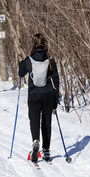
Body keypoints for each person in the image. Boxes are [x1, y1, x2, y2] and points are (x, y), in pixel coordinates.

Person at [18, 33, 60, 162]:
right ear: (45, 44)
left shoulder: (28, 59)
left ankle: (35, 141)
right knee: (46, 123)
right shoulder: (50, 61)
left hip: (34, 95)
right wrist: (55, 99)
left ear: (33, 44)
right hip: (48, 95)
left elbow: (20, 73)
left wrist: (21, 64)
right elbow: (55, 81)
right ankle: (46, 150)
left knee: (34, 121)